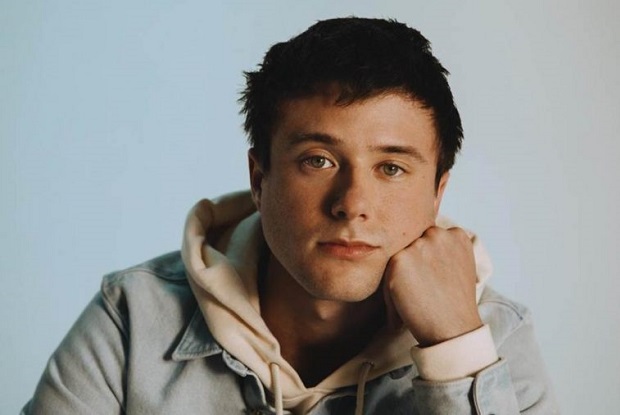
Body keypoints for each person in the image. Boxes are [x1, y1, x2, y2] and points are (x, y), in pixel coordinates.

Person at [22, 17, 559, 414]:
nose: (352, 203)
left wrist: (455, 351)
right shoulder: (133, 317)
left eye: (392, 168)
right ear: (260, 179)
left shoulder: (494, 337)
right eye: (318, 160)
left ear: (437, 194)